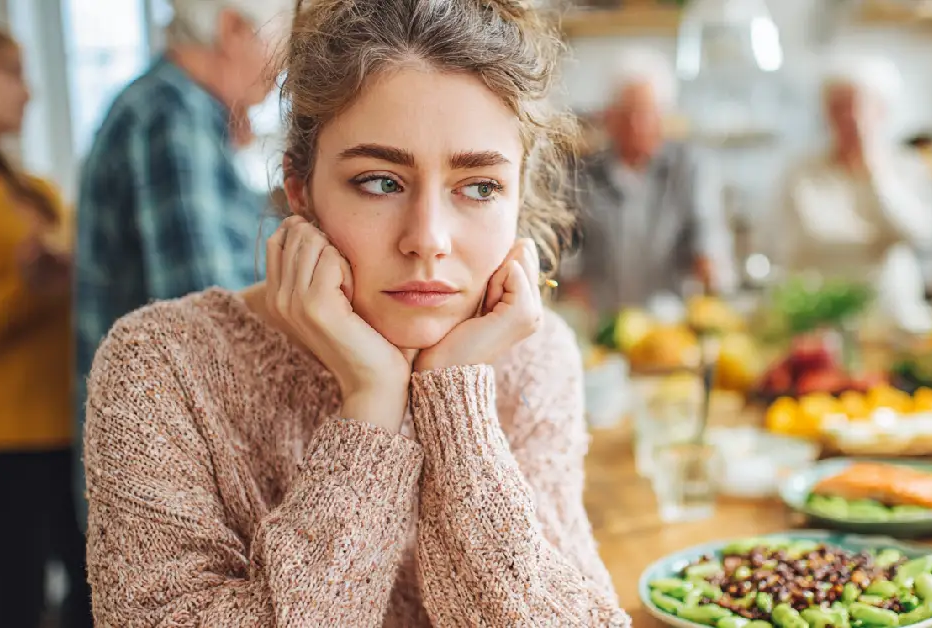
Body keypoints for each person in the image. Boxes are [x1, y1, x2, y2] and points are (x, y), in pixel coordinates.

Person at [81, 0, 628, 625]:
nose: (429, 239)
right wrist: (371, 404)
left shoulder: (533, 357)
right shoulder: (160, 366)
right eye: (380, 181)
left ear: (518, 196)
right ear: (300, 191)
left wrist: (455, 406)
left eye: (479, 187)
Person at [73, 0, 291, 514]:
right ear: (232, 30)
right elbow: (208, 306)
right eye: (277, 52)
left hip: (163, 442)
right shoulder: (174, 115)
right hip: (166, 455)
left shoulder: (177, 109)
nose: (279, 75)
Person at [0, 25, 93, 628]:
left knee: (90, 586)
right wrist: (31, 290)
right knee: (13, 594)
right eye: (11, 73)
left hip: (68, 421)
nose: (29, 93)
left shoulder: (38, 192)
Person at [763, 55, 932, 331]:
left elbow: (921, 234)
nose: (848, 117)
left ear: (882, 109)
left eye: (856, 105)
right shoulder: (802, 173)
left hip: (894, 320)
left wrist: (876, 171)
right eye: (837, 107)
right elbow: (793, 244)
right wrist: (876, 241)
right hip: (820, 322)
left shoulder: (905, 167)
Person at [565, 48, 736, 314]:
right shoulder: (580, 174)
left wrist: (711, 265)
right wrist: (571, 288)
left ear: (662, 115)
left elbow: (707, 230)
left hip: (671, 324)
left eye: (645, 112)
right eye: (626, 113)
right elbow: (568, 250)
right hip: (601, 323)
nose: (636, 124)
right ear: (609, 116)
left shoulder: (690, 168)